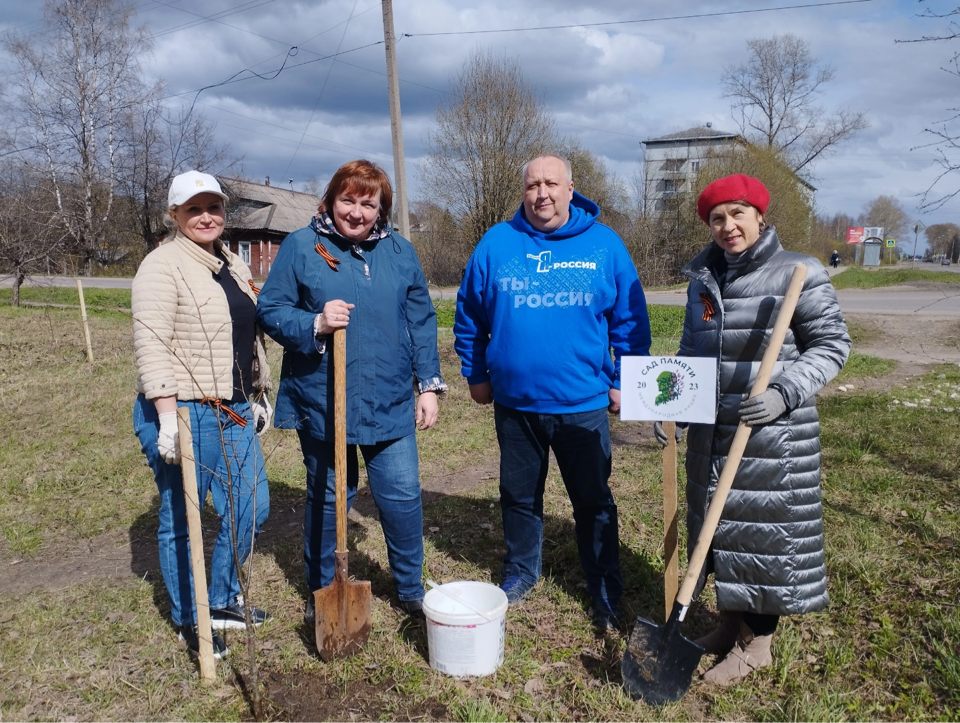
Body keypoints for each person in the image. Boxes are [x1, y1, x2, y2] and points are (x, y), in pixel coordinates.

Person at [654, 174, 851, 686]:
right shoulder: (703, 281)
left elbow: (832, 346)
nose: (728, 226)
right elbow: (691, 355)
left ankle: (757, 643)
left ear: (760, 217)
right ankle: (728, 627)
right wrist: (670, 405)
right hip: (712, 432)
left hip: (771, 436)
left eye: (737, 214)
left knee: (762, 534)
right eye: (717, 218)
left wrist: (785, 392)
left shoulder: (799, 272)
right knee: (719, 532)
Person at [454, 154, 652, 631]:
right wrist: (475, 373)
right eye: (532, 185)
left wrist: (625, 379)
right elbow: (469, 315)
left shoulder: (602, 245)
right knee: (518, 495)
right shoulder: (496, 244)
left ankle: (604, 583)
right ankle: (522, 569)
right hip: (515, 403)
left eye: (551, 184)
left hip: (583, 404)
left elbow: (630, 321)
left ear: (570, 189)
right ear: (522, 190)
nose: (541, 193)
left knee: (592, 499)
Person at [256, 160, 445, 622]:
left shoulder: (400, 252)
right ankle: (324, 588)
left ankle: (409, 587)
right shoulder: (303, 246)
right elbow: (270, 309)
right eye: (348, 200)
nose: (357, 212)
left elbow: (420, 321)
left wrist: (428, 386)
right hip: (323, 399)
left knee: (400, 494)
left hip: (390, 396)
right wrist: (314, 323)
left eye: (368, 203)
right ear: (330, 200)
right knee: (328, 495)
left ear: (382, 208)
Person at [132, 171, 273, 660]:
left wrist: (256, 391)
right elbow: (151, 344)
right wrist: (167, 419)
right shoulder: (161, 266)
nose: (207, 216)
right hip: (184, 408)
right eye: (194, 209)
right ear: (174, 215)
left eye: (213, 207)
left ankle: (221, 599)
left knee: (252, 504)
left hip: (231, 406)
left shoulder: (230, 263)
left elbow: (244, 335)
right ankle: (191, 618)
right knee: (181, 518)